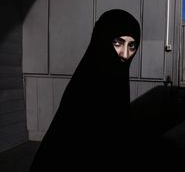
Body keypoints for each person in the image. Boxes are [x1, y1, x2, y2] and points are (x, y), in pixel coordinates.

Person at [29, 9, 141, 171]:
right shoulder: (84, 88)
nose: (125, 54)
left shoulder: (119, 85)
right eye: (118, 42)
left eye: (132, 46)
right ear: (101, 40)